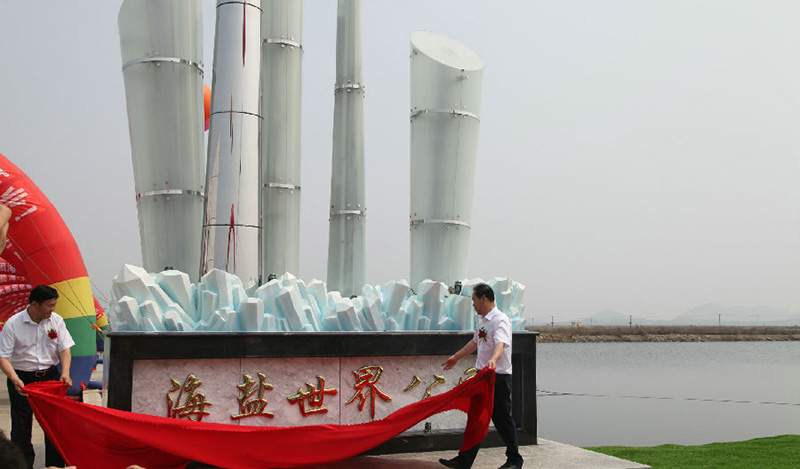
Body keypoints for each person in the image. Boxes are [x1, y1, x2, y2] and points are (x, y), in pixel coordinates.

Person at [439, 283, 524, 469]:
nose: (473, 305)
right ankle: (464, 460)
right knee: (476, 418)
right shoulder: (483, 320)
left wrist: (493, 360)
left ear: (484, 298)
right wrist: (456, 357)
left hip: (497, 376)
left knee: (502, 419)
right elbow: (475, 342)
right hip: (482, 376)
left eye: (474, 300)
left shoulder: (500, 320)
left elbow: (501, 344)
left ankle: (515, 460)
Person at [0, 285, 74, 469]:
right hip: (22, 379)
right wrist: (15, 379)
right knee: (21, 426)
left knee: (54, 424)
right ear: (34, 304)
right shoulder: (13, 324)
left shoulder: (56, 320)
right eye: (49, 305)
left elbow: (65, 349)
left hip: (50, 377)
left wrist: (65, 372)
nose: (52, 309)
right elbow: (3, 356)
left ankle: (55, 465)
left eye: (54, 305)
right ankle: (22, 465)